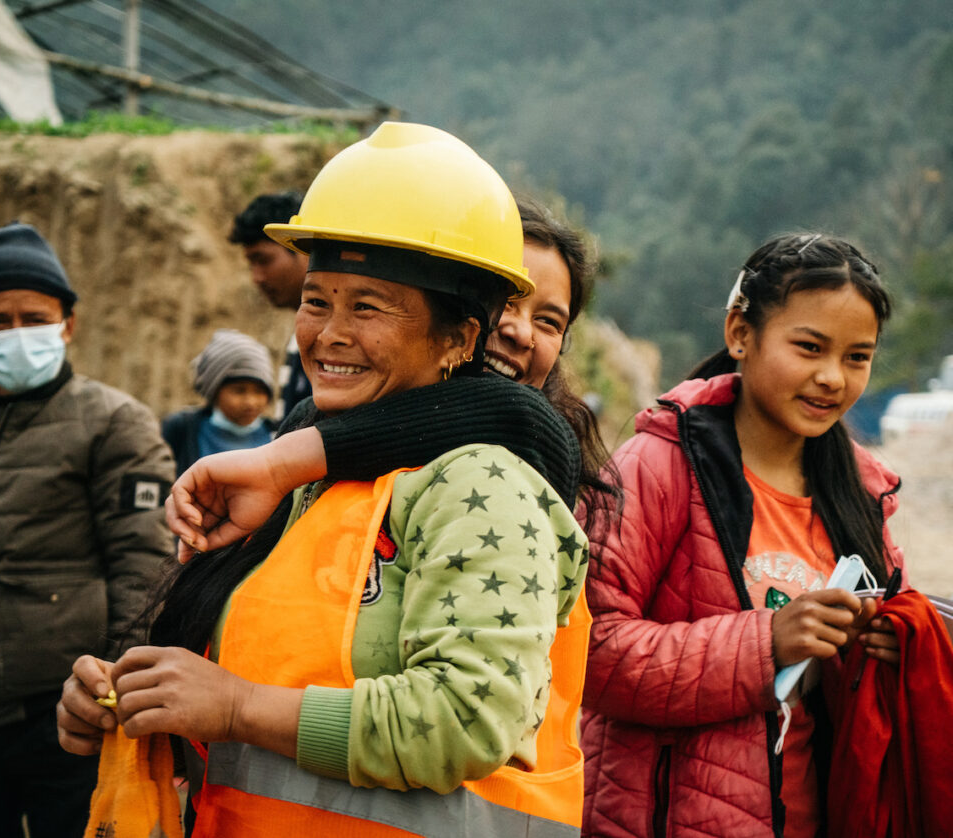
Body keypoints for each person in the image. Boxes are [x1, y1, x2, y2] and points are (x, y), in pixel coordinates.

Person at [57, 122, 591, 837]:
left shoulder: (482, 484)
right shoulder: (305, 477)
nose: (329, 333)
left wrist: (237, 706)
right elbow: (247, 678)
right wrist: (131, 701)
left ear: (459, 339)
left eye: (367, 307)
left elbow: (465, 718)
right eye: (317, 300)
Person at [576, 233, 906, 837]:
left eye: (857, 357)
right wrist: (768, 642)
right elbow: (589, 653)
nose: (832, 377)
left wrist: (890, 644)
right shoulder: (658, 465)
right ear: (740, 333)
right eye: (810, 347)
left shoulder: (862, 494)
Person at [163, 195, 617, 565]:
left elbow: (518, 418)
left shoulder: (520, 466)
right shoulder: (310, 427)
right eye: (503, 303)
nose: (518, 330)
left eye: (550, 321)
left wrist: (282, 462)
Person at [0, 221, 175, 837]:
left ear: (67, 322)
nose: (17, 334)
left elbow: (143, 565)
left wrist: (111, 690)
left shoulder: (115, 424)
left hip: (64, 714)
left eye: (34, 317)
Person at [229, 191, 312, 419]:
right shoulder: (301, 334)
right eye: (251, 265)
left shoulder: (329, 336)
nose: (257, 277)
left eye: (263, 260)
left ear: (301, 248)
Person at [161, 328, 276, 476]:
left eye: (259, 391)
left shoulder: (278, 435)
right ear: (214, 391)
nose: (251, 402)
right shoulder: (182, 430)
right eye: (239, 391)